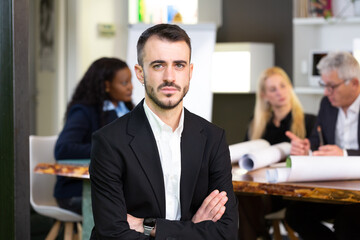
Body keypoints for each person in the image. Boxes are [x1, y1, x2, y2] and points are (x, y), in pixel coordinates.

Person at [89, 24, 238, 239]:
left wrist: (148, 226)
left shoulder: (213, 138)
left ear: (190, 72)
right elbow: (114, 234)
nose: (170, 76)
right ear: (140, 73)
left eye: (179, 65)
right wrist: (192, 229)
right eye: (158, 65)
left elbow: (226, 232)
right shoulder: (109, 142)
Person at [285, 51, 360, 239]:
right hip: (335, 186)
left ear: (355, 83)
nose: (326, 92)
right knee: (295, 215)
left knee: (348, 222)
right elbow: (317, 140)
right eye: (324, 85)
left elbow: (339, 153)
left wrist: (344, 154)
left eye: (331, 86)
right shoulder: (327, 104)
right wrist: (306, 148)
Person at [239, 67, 316, 240]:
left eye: (283, 86)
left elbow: (317, 159)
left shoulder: (309, 121)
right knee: (241, 196)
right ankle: (262, 234)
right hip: (259, 188)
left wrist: (305, 152)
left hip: (289, 192)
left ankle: (262, 235)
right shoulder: (257, 124)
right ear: (264, 95)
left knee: (243, 200)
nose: (280, 92)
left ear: (290, 87)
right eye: (273, 89)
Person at [54, 57, 133, 214]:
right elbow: (62, 149)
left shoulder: (127, 109)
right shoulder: (84, 112)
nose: (130, 87)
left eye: (130, 82)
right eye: (124, 83)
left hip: (113, 187)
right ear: (107, 86)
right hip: (78, 191)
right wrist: (109, 150)